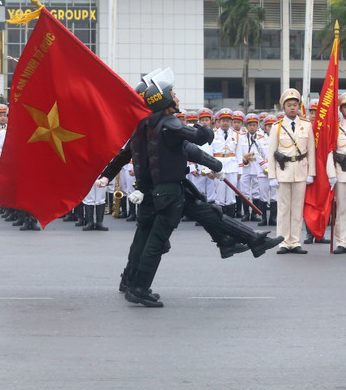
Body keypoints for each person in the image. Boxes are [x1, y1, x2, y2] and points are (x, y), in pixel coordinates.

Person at [101, 69, 283, 308]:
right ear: (164, 100)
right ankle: (138, 287)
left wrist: (214, 164)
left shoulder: (146, 125)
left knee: (207, 213)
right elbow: (198, 139)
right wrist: (206, 128)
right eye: (173, 94)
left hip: (167, 189)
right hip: (165, 192)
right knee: (154, 241)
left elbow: (183, 150)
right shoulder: (168, 124)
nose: (177, 97)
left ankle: (249, 240)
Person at [268, 88, 315, 254]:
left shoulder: (306, 126)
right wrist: (272, 176)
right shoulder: (276, 127)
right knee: (283, 209)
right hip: (283, 171)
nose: (293, 108)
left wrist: (311, 173)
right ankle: (282, 241)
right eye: (289, 105)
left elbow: (311, 151)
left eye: (295, 105)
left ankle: (295, 241)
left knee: (297, 209)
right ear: (284, 107)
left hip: (301, 171)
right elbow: (271, 153)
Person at [331, 93, 346, 254]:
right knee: (342, 209)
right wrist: (331, 173)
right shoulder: (335, 127)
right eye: (345, 106)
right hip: (342, 171)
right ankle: (342, 241)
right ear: (341, 109)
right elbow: (330, 151)